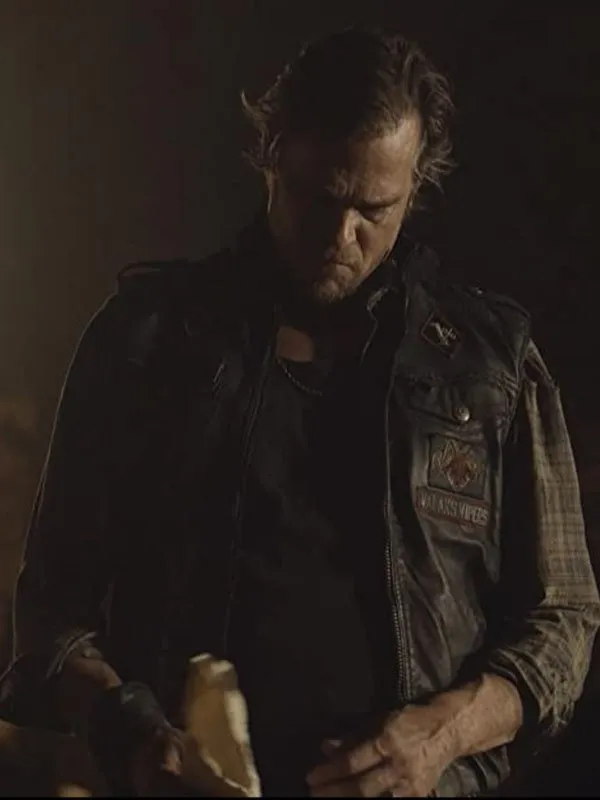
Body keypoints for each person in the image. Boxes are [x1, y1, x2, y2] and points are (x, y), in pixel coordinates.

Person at [3, 26, 599, 798]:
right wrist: (132, 734)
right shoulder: (145, 341)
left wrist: (441, 735)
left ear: (415, 184)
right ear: (273, 158)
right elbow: (51, 610)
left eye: (374, 209)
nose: (341, 237)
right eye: (320, 197)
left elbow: (563, 617)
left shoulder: (494, 363)